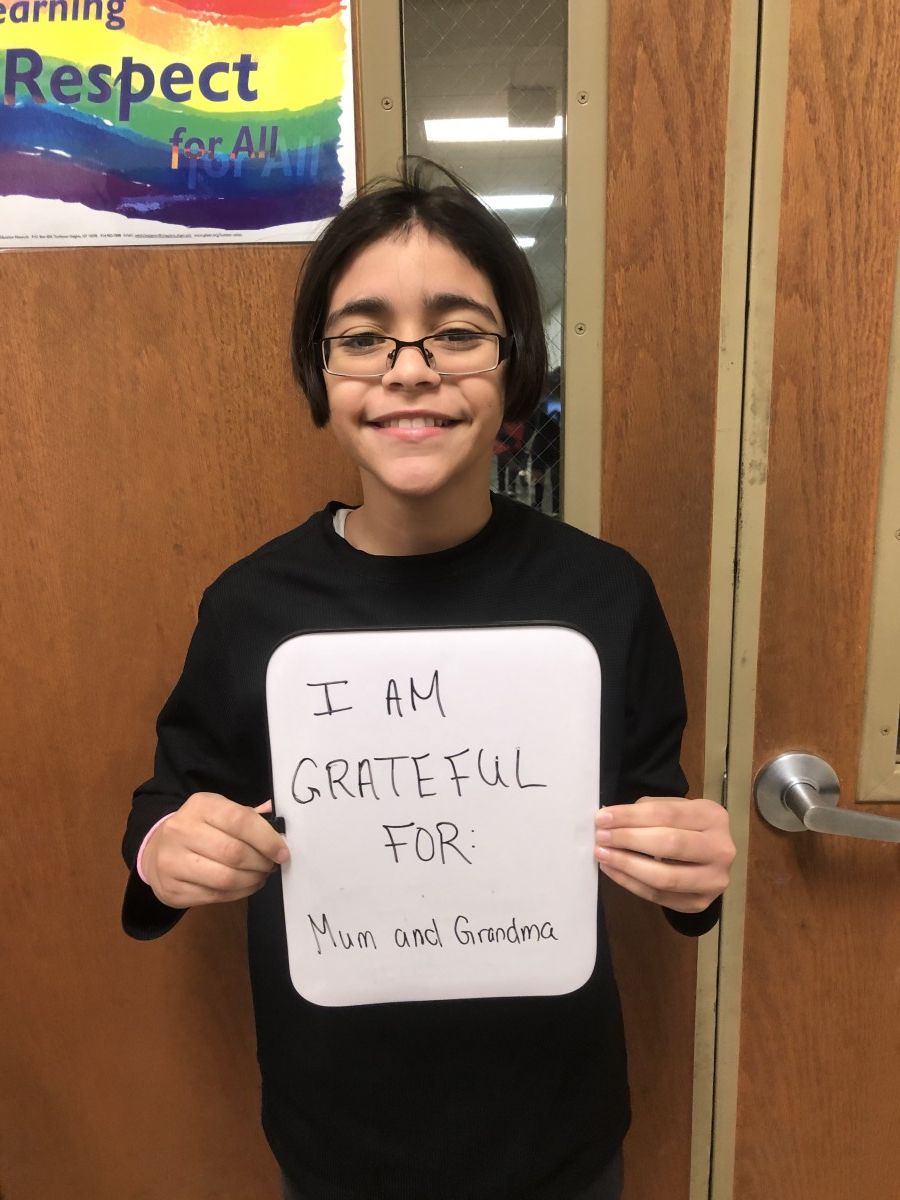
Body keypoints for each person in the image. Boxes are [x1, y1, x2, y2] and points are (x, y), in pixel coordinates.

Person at [121, 159, 735, 1200]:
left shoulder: (604, 594)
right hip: (337, 1136)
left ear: (514, 364)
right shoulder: (252, 608)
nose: (411, 368)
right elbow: (170, 798)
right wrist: (162, 848)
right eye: (364, 337)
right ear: (322, 373)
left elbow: (652, 807)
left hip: (558, 1134)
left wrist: (689, 868)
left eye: (457, 332)